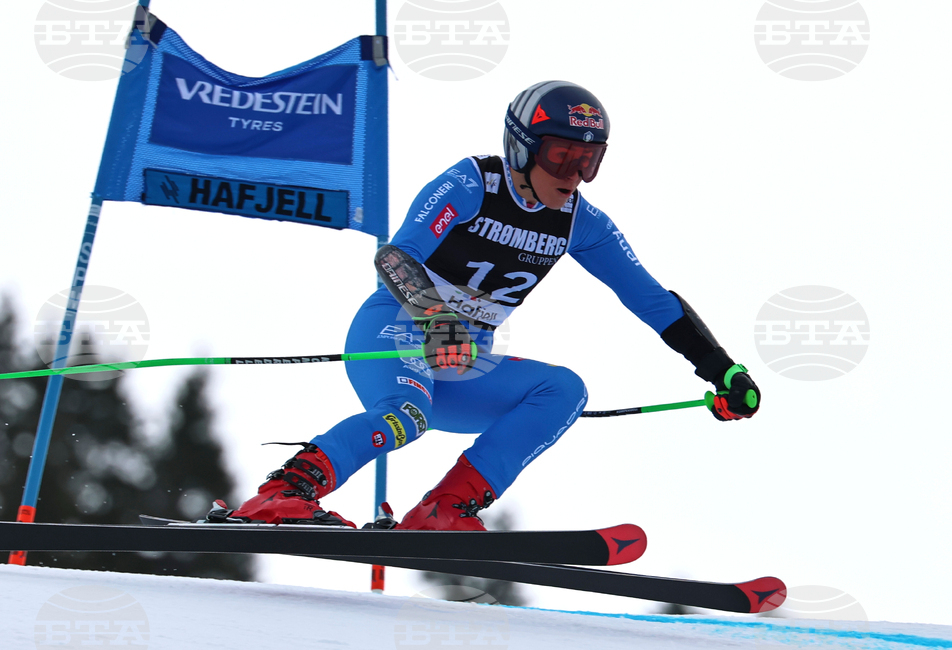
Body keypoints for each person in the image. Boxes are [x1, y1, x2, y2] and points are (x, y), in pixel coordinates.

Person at [205, 81, 761, 530]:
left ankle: (444, 511)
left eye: (589, 162)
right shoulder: (472, 183)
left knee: (562, 389)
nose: (573, 177)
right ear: (523, 146)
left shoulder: (581, 224)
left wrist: (721, 369)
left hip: (464, 363)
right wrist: (439, 319)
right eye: (563, 157)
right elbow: (397, 258)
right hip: (395, 335)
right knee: (407, 416)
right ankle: (283, 494)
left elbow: (651, 300)